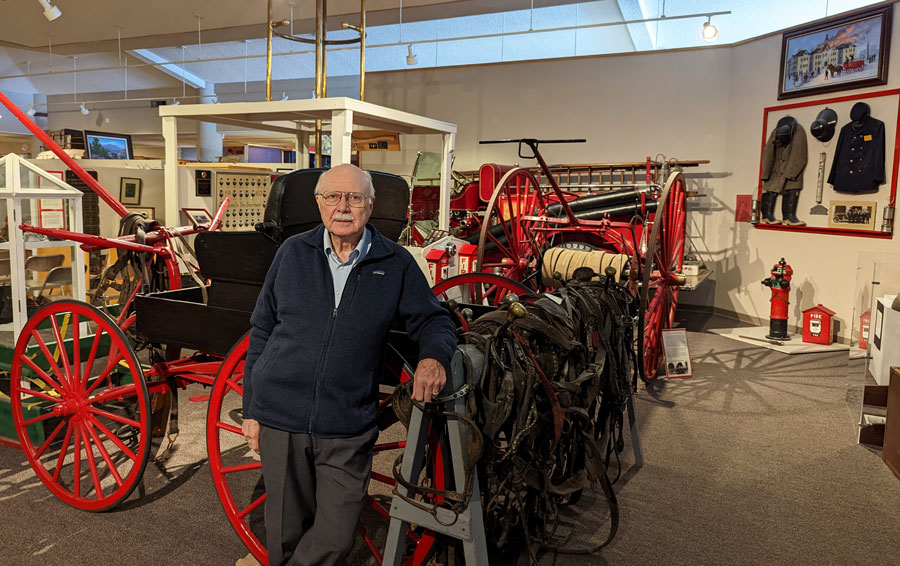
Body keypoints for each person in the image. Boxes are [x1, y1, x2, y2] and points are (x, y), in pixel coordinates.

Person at [240, 164, 457, 566]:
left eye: (354, 198)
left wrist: (432, 357)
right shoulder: (292, 253)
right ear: (319, 204)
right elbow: (262, 330)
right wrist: (252, 409)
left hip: (346, 423)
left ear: (369, 206)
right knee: (284, 533)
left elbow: (434, 319)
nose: (343, 206)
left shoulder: (395, 262)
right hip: (281, 417)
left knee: (336, 536)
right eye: (333, 197)